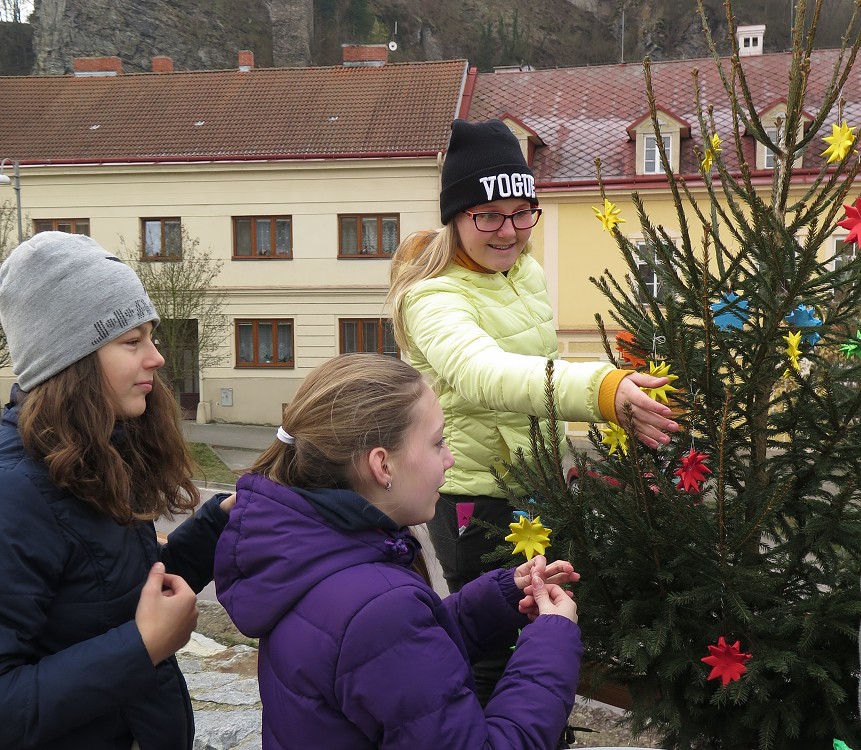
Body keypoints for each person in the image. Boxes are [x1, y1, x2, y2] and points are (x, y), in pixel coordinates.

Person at [386, 118, 680, 704]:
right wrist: (601, 390)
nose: (509, 231)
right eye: (488, 215)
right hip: (471, 493)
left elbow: (534, 370)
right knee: (490, 639)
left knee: (546, 620)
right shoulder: (431, 296)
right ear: (456, 216)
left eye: (523, 213)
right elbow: (483, 374)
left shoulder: (526, 273)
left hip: (535, 481)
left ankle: (540, 727)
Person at [215, 353, 582, 749]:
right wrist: (552, 640)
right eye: (438, 442)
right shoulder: (379, 608)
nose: (449, 458)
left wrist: (502, 595)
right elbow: (391, 639)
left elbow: (398, 659)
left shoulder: (312, 554)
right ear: (382, 465)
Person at [0, 231, 236, 750]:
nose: (156, 358)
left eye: (150, 337)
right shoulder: (15, 495)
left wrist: (224, 521)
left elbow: (116, 594)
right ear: (71, 364)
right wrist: (144, 646)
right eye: (132, 342)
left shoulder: (97, 455)